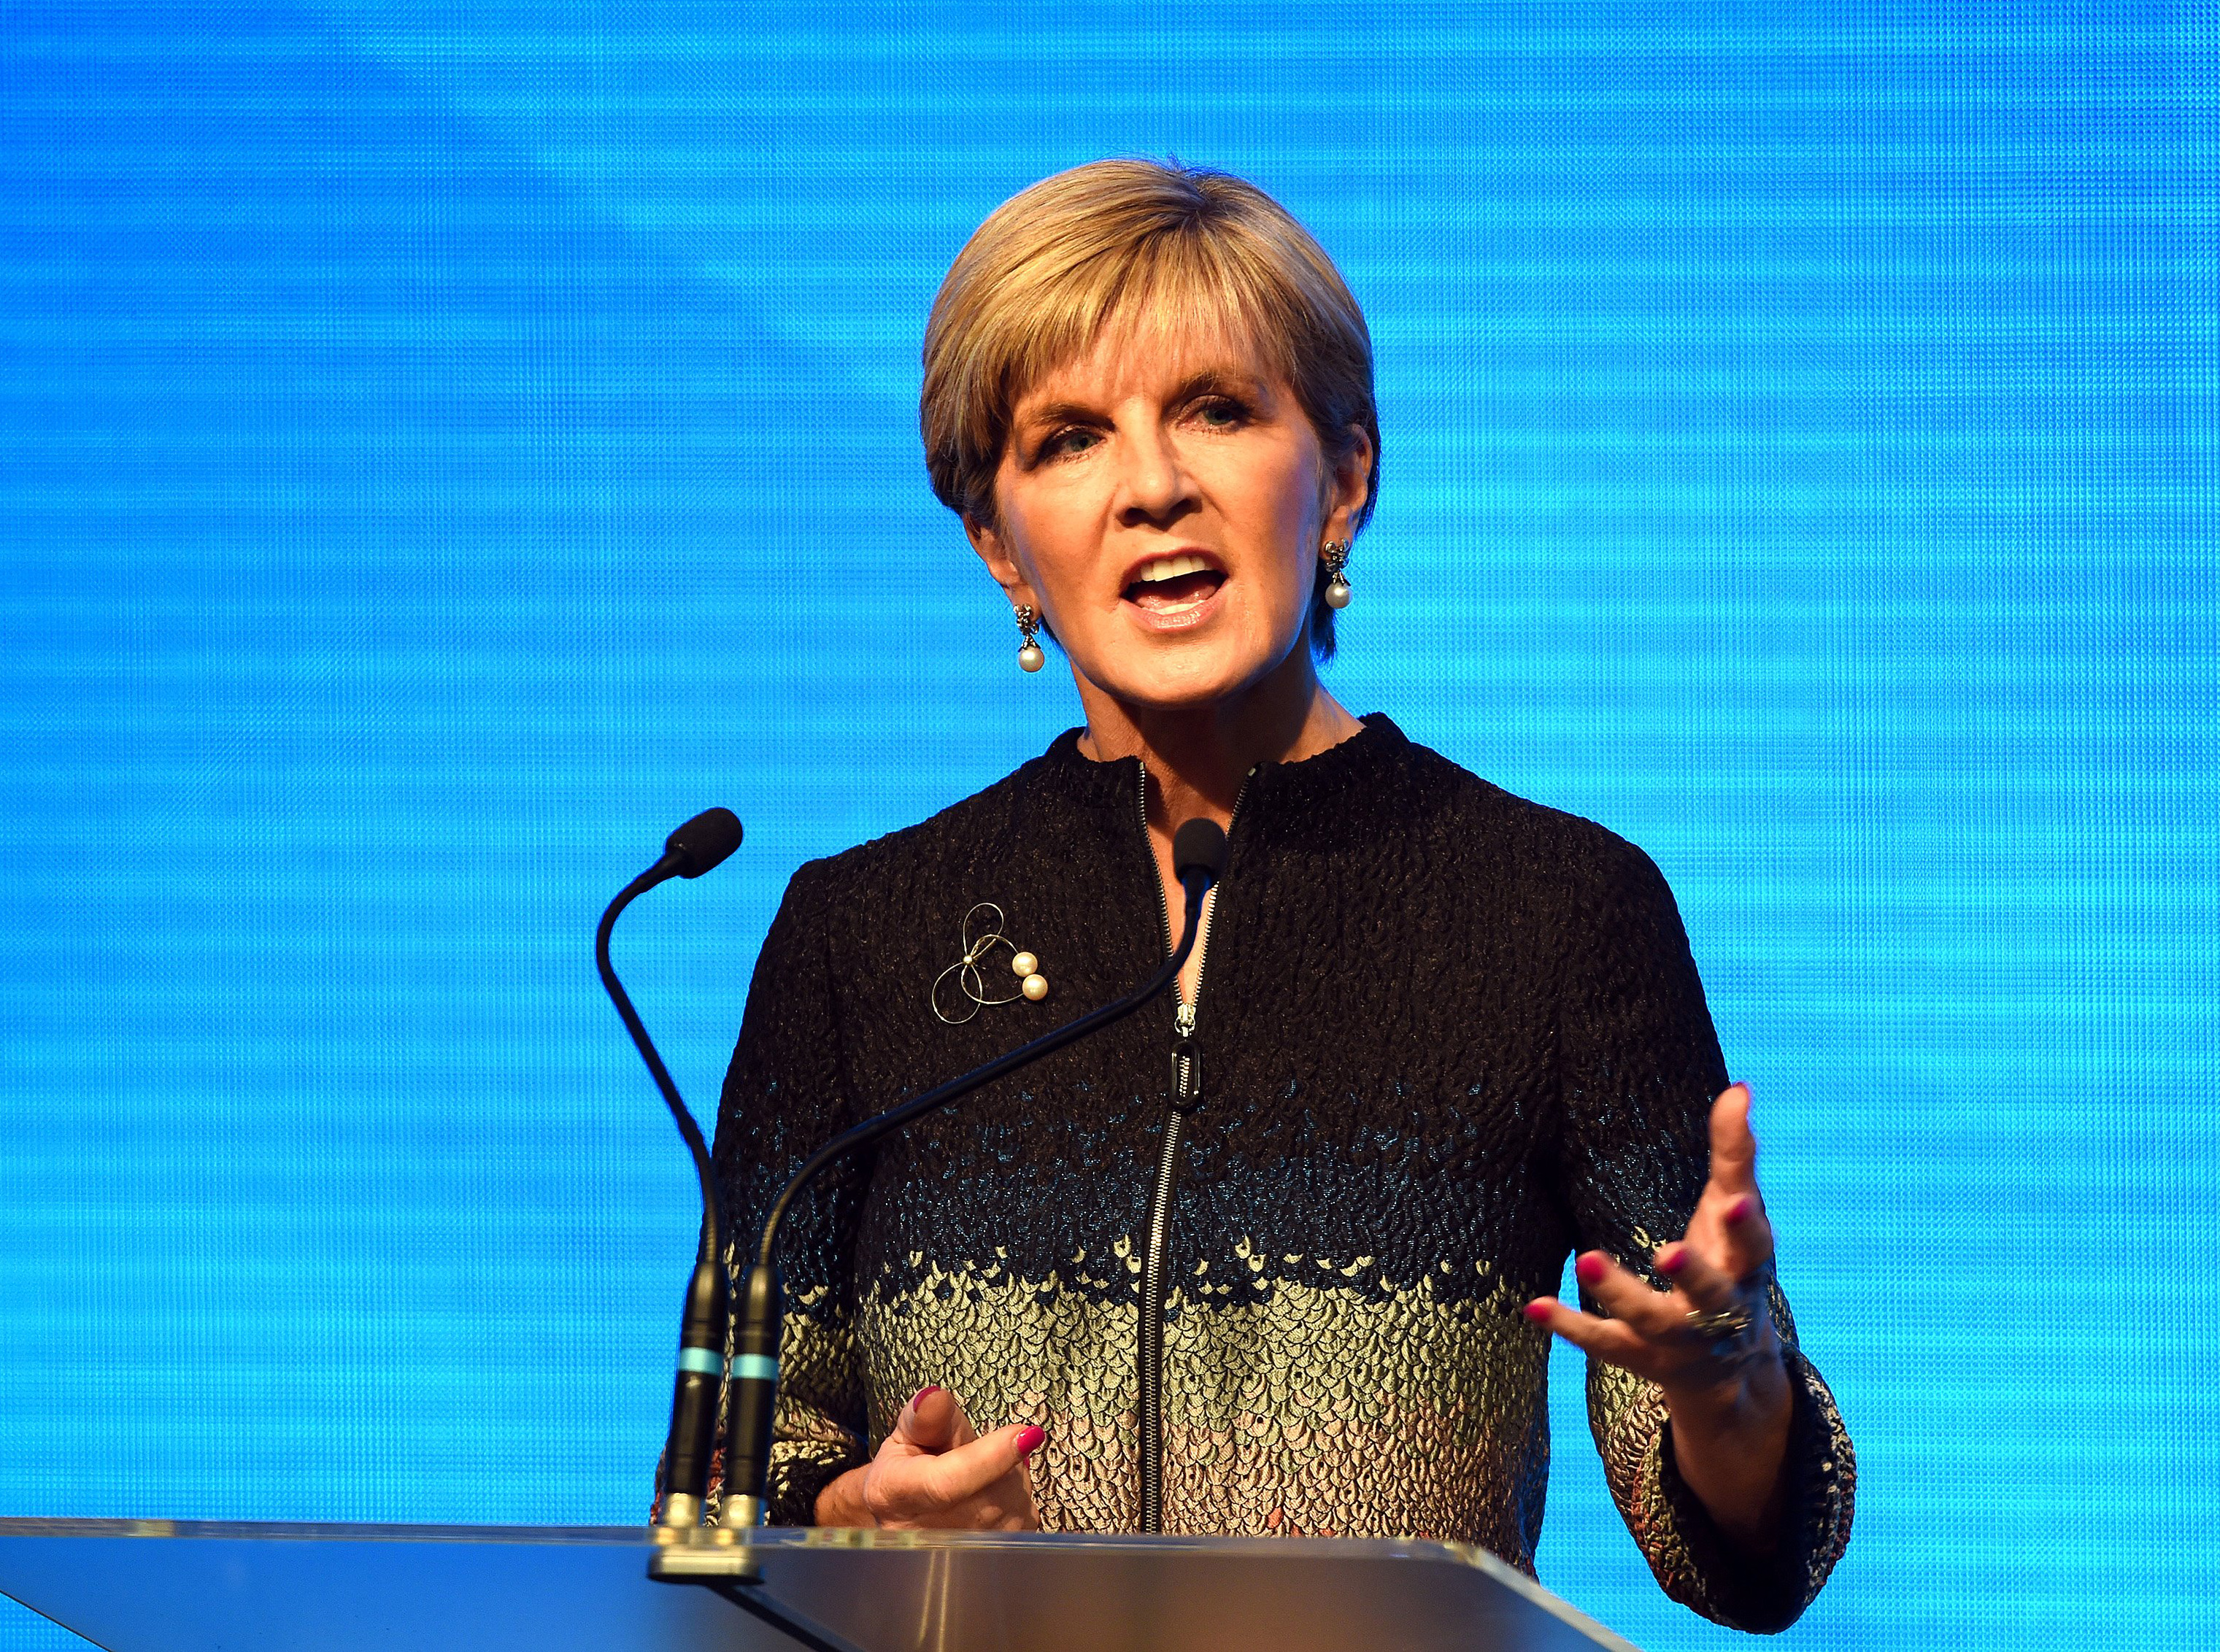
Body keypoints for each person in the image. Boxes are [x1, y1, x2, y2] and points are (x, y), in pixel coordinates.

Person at [709, 158, 1854, 1632]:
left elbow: (1753, 1556)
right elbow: (728, 1501)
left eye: (1218, 410)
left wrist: (1727, 1381)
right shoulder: (858, 935)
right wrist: (846, 1523)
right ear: (1000, 544)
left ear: (1346, 479)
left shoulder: (1558, 910)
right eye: (1067, 439)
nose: (1151, 485)